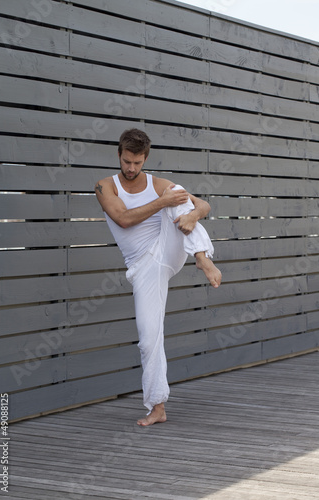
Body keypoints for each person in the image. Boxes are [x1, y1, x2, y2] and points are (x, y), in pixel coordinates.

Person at [95, 128, 222, 426]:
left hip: (168, 249)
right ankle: (158, 407)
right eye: (127, 162)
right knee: (149, 340)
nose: (131, 168)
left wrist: (191, 216)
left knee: (175, 192)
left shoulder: (157, 184)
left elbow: (203, 204)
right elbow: (124, 220)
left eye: (137, 163)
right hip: (143, 268)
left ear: (145, 159)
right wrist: (167, 203)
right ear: (119, 155)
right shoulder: (105, 186)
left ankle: (202, 258)